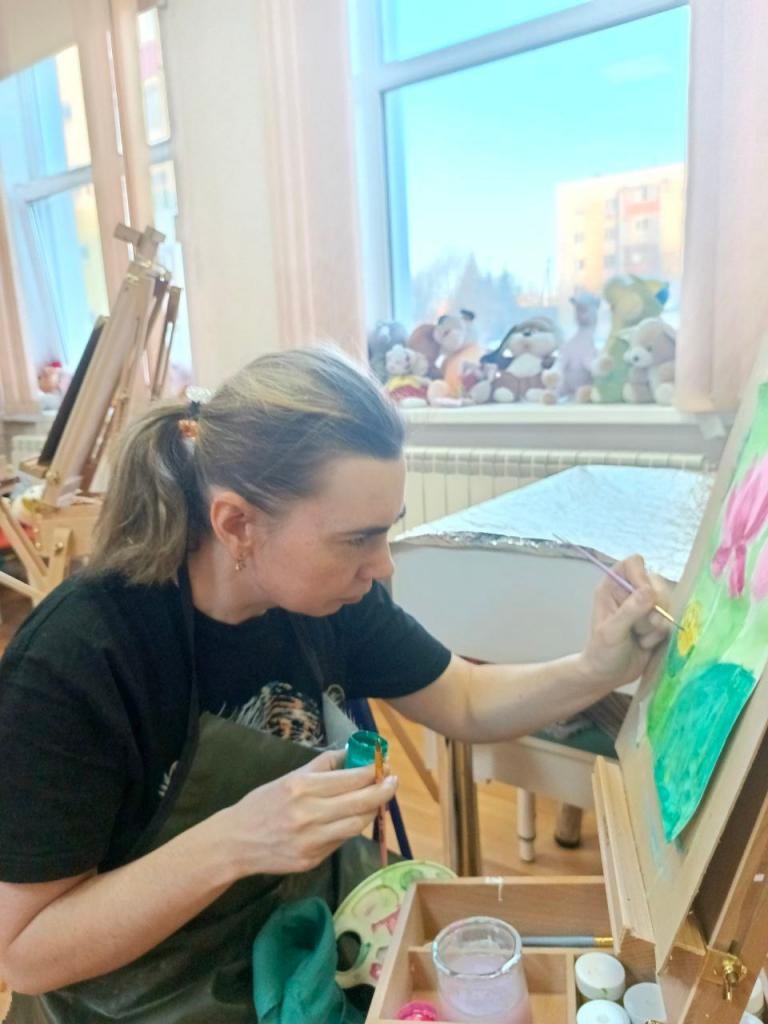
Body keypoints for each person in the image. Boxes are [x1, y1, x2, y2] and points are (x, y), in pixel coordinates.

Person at [0, 349, 669, 1022]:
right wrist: (236, 843)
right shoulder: (78, 660)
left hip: (299, 941)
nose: (382, 567)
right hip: (140, 995)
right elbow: (25, 953)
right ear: (236, 525)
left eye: (387, 531)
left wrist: (597, 668)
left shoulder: (332, 601)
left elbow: (463, 698)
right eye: (358, 540)